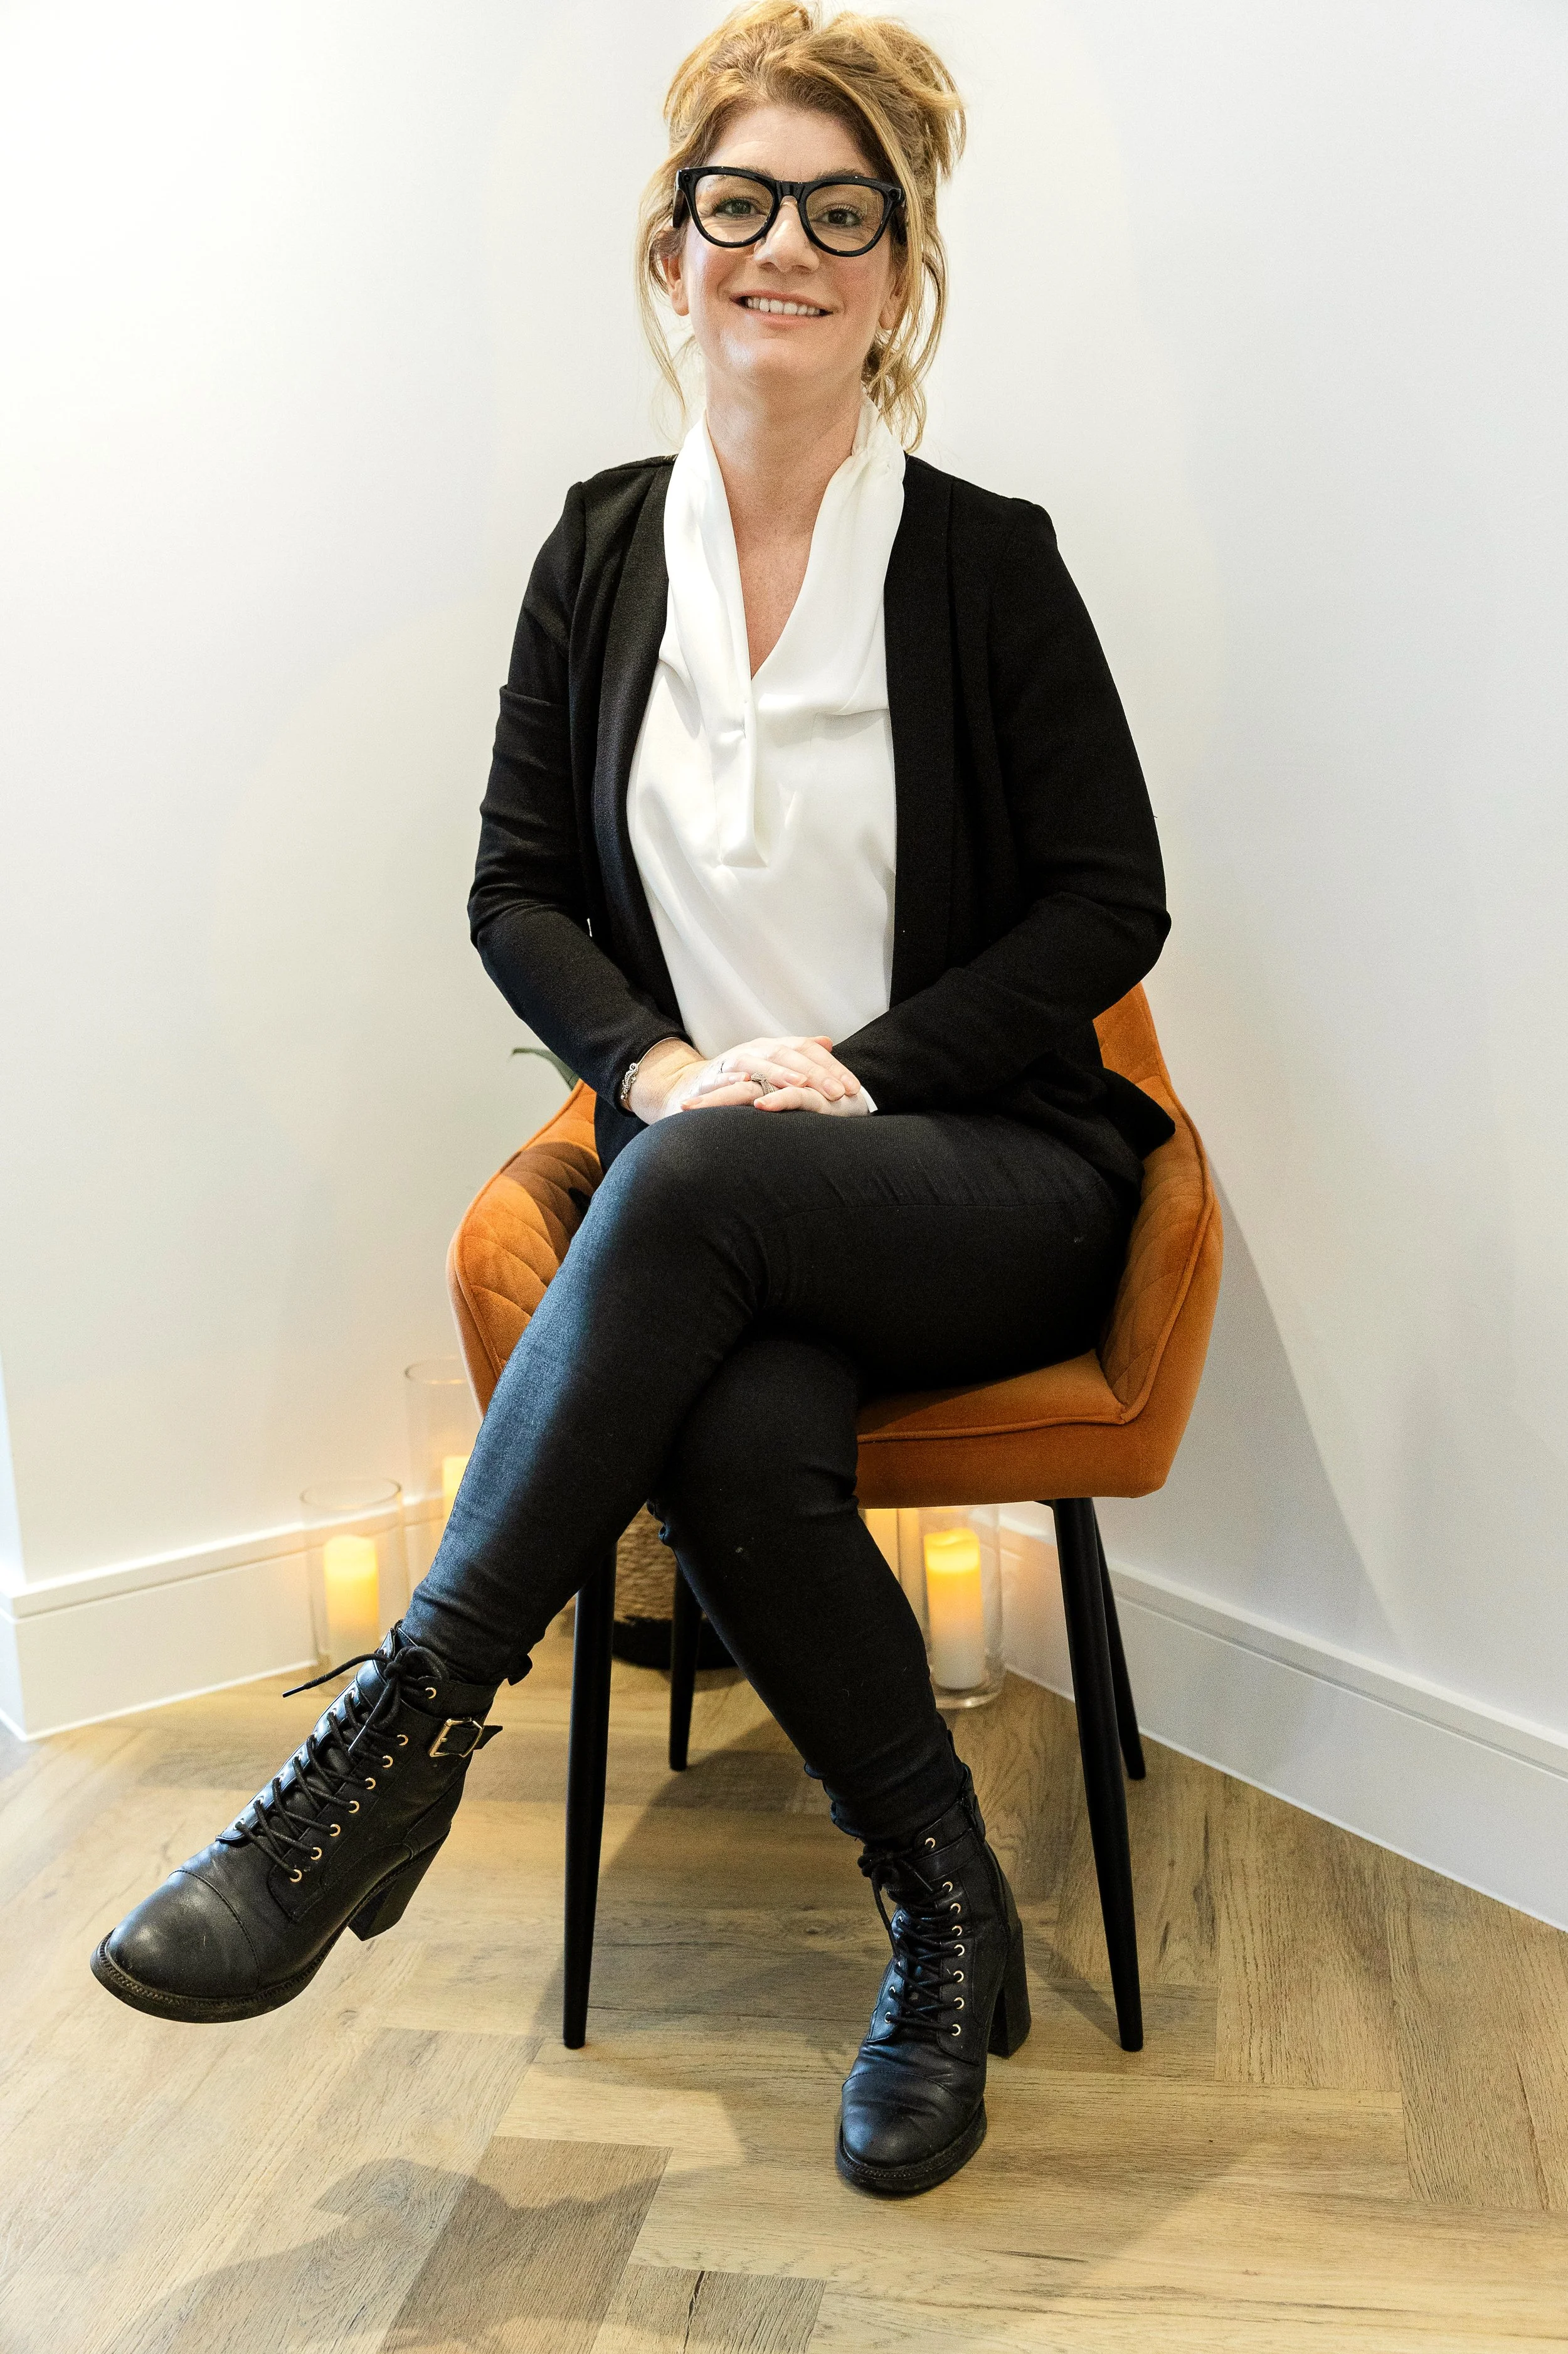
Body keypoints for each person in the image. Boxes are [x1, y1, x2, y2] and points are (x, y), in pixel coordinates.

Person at [92, 1, 1173, 2199]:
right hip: (712, 1196)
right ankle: (948, 1919)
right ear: (673, 242)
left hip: (978, 1176)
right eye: (739, 201)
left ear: (901, 268)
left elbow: (1103, 905)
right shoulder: (600, 553)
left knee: (678, 1198)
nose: (784, 245)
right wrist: (675, 1071)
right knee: (744, 1421)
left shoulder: (986, 560)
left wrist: (846, 1079)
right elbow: (511, 886)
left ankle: (391, 1740)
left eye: (839, 213)